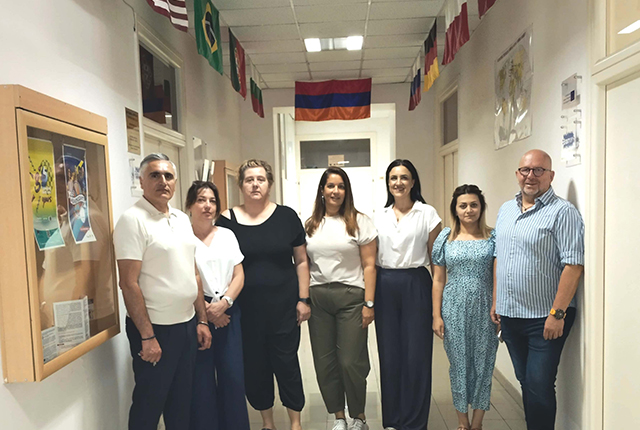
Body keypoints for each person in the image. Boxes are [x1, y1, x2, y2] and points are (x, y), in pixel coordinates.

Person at [113, 153, 212, 430]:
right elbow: (128, 283)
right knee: (149, 404)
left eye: (168, 176)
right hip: (155, 330)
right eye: (154, 175)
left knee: (181, 404)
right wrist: (147, 336)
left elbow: (193, 272)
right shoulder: (133, 220)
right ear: (141, 181)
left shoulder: (180, 218)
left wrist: (202, 319)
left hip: (186, 325)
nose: (163, 181)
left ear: (176, 182)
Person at [491, 149, 584, 430]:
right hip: (510, 315)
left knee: (539, 384)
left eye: (538, 170)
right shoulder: (506, 210)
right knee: (526, 382)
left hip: (545, 317)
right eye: (525, 170)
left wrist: (557, 313)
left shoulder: (563, 212)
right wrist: (496, 301)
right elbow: (499, 257)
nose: (530, 176)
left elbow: (573, 266)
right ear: (517, 174)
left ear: (551, 175)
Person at [216, 159, 310, 430]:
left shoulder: (286, 217)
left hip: (284, 307)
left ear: (269, 184)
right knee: (255, 367)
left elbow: (301, 261)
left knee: (287, 364)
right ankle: (268, 423)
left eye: (260, 179)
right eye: (249, 180)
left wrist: (304, 299)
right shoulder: (226, 221)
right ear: (241, 185)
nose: (255, 184)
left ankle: (295, 423)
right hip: (245, 310)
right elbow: (219, 264)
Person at [305, 167, 377, 430]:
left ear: (347, 191)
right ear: (322, 190)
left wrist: (369, 303)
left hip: (351, 297)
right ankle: (338, 417)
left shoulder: (360, 222)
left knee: (350, 361)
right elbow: (304, 264)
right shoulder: (311, 224)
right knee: (324, 362)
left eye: (341, 186)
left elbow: (370, 265)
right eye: (330, 186)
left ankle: (359, 416)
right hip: (319, 298)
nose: (335, 191)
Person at [374, 159, 442, 430]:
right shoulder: (378, 215)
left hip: (416, 283)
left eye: (404, 177)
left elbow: (437, 263)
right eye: (393, 178)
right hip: (385, 284)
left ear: (413, 182)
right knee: (389, 354)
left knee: (416, 355)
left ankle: (414, 422)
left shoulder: (427, 213)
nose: (398, 183)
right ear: (388, 183)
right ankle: (393, 419)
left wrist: (437, 309)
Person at [431, 184, 499, 430]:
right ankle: (462, 422)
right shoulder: (445, 238)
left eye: (473, 205)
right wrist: (436, 315)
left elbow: (498, 276)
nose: (469, 210)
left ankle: (477, 423)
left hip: (485, 307)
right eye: (463, 206)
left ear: (481, 208)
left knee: (484, 364)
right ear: (455, 209)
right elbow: (438, 280)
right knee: (458, 365)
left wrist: (497, 306)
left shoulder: (493, 237)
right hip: (453, 308)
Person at [186, 181, 250, 430]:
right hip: (197, 315)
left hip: (228, 312)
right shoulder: (182, 238)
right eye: (201, 200)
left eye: (212, 201)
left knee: (232, 378)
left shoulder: (227, 235)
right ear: (190, 205)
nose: (208, 206)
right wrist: (207, 313)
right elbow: (184, 278)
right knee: (201, 383)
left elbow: (239, 275)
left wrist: (225, 303)